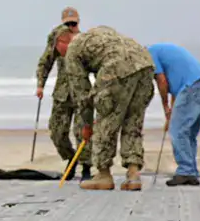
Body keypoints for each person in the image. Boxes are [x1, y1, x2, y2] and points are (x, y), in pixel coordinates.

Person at [57, 26, 155, 191]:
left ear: (63, 41)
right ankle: (133, 174)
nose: (59, 55)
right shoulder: (99, 33)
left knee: (105, 119)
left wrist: (87, 125)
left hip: (117, 67)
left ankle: (103, 174)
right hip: (145, 63)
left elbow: (81, 94)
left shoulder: (73, 50)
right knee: (133, 120)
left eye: (57, 48)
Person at [36, 7, 92, 181]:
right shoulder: (58, 39)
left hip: (81, 94)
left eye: (73, 23)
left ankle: (86, 167)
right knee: (56, 131)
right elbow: (45, 62)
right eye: (67, 23)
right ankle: (70, 158)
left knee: (81, 131)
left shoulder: (84, 41)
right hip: (62, 94)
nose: (71, 27)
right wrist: (40, 85)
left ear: (78, 22)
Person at [147, 43, 200, 186]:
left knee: (178, 131)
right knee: (188, 133)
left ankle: (185, 171)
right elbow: (177, 91)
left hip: (192, 89)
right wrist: (170, 115)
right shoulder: (163, 52)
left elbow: (162, 81)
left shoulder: (149, 53)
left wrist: (165, 107)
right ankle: (191, 171)